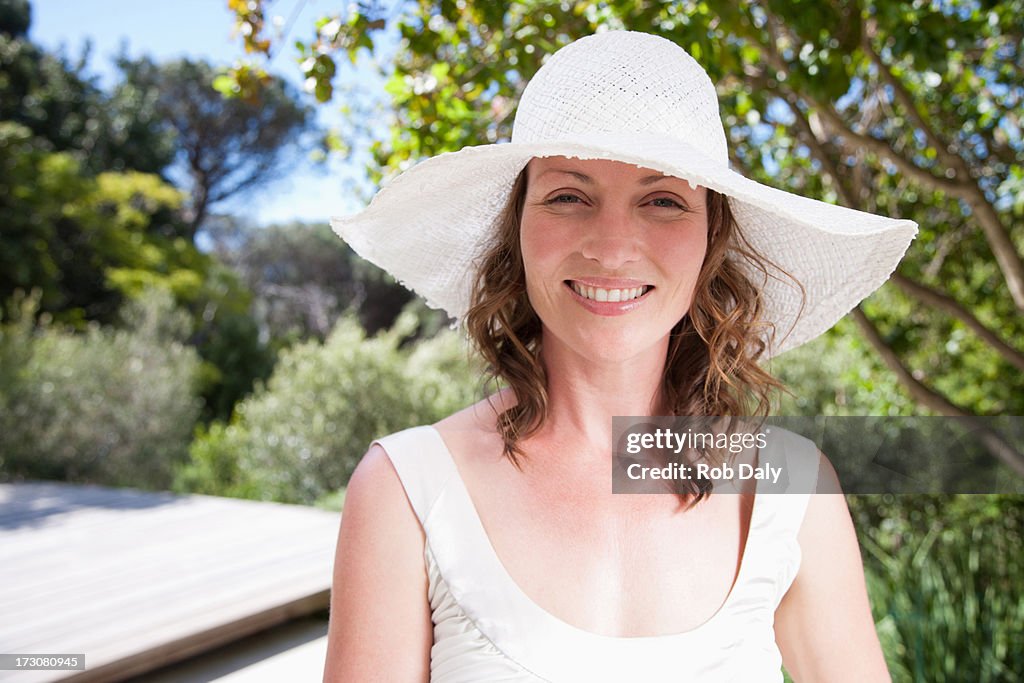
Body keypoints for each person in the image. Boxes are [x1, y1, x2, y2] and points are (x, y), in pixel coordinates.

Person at [322, 31, 916, 682]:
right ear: (517, 227)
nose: (611, 247)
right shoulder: (405, 491)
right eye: (568, 195)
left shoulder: (790, 490)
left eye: (662, 200)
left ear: (711, 237)